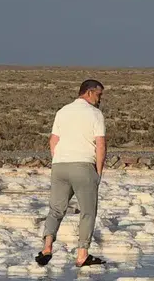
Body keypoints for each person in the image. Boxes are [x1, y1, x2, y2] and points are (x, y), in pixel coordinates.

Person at [37, 80, 107, 268]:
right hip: (83, 166)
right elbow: (100, 145)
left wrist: (58, 160)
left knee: (56, 209)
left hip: (60, 165)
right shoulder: (95, 114)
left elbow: (53, 140)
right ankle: (82, 254)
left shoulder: (62, 111)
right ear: (89, 93)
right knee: (88, 211)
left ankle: (47, 247)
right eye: (99, 95)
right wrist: (98, 171)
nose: (100, 99)